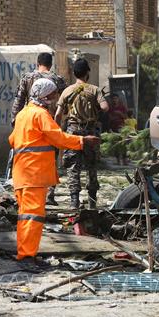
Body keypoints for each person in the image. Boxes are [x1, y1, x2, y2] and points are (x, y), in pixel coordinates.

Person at [9, 78, 99, 261]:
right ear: (45, 95)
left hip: (21, 173)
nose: (56, 96)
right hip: (34, 174)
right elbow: (58, 138)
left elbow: (12, 140)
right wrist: (82, 141)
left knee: (25, 216)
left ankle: (24, 252)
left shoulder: (22, 114)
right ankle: (26, 256)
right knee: (32, 217)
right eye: (53, 93)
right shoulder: (40, 115)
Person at [10, 52, 66, 205]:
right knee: (51, 160)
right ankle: (49, 194)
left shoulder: (27, 78)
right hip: (50, 124)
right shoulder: (58, 80)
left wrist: (15, 123)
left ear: (37, 63)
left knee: (27, 158)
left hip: (29, 125)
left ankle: (26, 190)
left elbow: (19, 100)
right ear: (51, 64)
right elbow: (64, 102)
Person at [55, 58, 109, 209]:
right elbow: (105, 107)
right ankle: (92, 202)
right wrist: (95, 110)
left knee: (73, 167)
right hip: (90, 131)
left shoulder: (67, 91)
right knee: (91, 166)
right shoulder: (94, 89)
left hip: (72, 132)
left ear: (74, 73)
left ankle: (74, 202)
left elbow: (58, 114)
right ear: (87, 73)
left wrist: (57, 131)